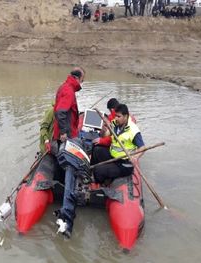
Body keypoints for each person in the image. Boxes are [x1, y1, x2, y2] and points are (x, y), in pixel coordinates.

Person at [53, 67, 85, 238]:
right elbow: (61, 112)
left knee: (68, 171)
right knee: (71, 174)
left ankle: (65, 215)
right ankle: (66, 217)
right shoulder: (69, 91)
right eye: (83, 80)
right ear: (78, 78)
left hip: (64, 135)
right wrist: (66, 133)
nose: (82, 84)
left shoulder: (63, 87)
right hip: (68, 138)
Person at [91, 104, 145, 183]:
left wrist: (135, 157)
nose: (116, 118)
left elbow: (142, 148)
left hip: (124, 164)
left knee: (98, 170)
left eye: (118, 116)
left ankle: (100, 182)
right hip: (114, 157)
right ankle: (92, 171)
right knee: (96, 149)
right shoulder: (115, 124)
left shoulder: (133, 130)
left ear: (125, 116)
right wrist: (104, 129)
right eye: (115, 116)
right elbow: (106, 135)